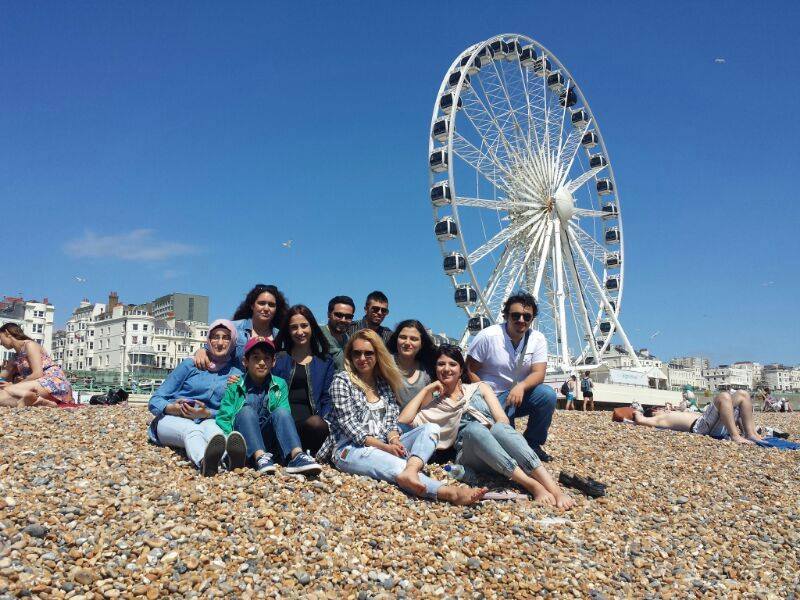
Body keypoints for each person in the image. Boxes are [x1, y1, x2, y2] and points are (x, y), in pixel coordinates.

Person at [318, 329, 487, 505]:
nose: (362, 358)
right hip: (350, 448)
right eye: (356, 353)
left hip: (384, 442)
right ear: (349, 356)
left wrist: (394, 439)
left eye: (368, 353)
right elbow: (350, 426)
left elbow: (391, 421)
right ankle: (448, 493)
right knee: (396, 465)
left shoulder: (383, 383)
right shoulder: (342, 381)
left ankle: (412, 470)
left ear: (377, 355)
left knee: (431, 428)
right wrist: (384, 447)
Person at [399, 345, 574, 508]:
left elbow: (501, 418)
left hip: (496, 447)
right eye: (441, 364)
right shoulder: (435, 405)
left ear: (461, 370)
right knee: (474, 429)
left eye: (452, 364)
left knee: (499, 428)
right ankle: (533, 485)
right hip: (470, 453)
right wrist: (426, 390)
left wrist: (495, 436)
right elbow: (405, 419)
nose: (446, 369)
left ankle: (555, 489)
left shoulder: (479, 388)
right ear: (435, 369)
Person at [465, 291, 556, 461]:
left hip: (517, 395)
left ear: (532, 319)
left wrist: (521, 386)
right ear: (506, 316)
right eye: (515, 315)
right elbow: (469, 369)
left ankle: (533, 444)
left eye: (526, 316)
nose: (521, 320)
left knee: (548, 395)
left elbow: (539, 373)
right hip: (491, 396)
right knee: (506, 443)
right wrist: (485, 395)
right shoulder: (488, 337)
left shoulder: (537, 339)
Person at [148, 320, 247, 476]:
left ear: (233, 342)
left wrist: (206, 413)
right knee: (192, 430)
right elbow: (155, 400)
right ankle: (204, 462)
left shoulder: (235, 374)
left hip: (207, 419)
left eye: (226, 337)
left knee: (216, 434)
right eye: (215, 337)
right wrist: (172, 408)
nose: (220, 342)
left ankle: (229, 459)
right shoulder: (190, 365)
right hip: (172, 419)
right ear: (208, 340)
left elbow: (230, 409)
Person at [216, 337, 321, 476]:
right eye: (255, 358)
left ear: (273, 362)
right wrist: (230, 443)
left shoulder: (280, 384)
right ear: (245, 362)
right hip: (244, 441)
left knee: (282, 412)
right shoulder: (235, 386)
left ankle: (296, 455)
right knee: (246, 411)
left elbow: (283, 415)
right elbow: (224, 417)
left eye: (266, 358)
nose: (261, 363)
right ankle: (259, 457)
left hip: (269, 439)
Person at [273, 305, 335, 453]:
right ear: (288, 331)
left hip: (313, 423)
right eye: (294, 327)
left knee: (317, 424)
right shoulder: (279, 358)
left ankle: (302, 452)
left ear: (312, 327)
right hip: (283, 419)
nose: (300, 332)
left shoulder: (325, 361)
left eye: (304, 326)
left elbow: (327, 398)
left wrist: (326, 420)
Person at [194, 283, 288, 368]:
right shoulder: (234, 328)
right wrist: (201, 352)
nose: (266, 308)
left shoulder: (280, 335)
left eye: (271, 305)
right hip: (235, 384)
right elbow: (211, 347)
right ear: (252, 305)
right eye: (261, 303)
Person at [631, 390, 763, 444]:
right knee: (723, 396)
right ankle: (735, 436)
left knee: (743, 394)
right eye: (658, 409)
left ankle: (750, 434)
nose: (662, 409)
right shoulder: (658, 418)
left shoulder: (670, 413)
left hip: (713, 424)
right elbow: (640, 420)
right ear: (654, 412)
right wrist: (636, 411)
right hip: (700, 428)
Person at [0, 323, 73, 408]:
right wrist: (6, 370)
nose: (1, 343)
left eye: (0, 338)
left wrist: (13, 385)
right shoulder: (15, 357)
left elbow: (37, 373)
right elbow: (2, 379)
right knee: (2, 395)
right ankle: (40, 401)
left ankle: (34, 399)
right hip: (36, 387)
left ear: (7, 333)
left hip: (53, 383)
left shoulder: (30, 345)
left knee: (8, 391)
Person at [386, 320, 437, 407]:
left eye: (413, 339)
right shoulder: (384, 363)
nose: (407, 342)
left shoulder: (427, 372)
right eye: (403, 337)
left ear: (421, 344)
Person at [320, 295, 355, 370]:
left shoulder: (349, 342)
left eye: (348, 317)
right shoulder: (317, 335)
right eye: (339, 315)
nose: (343, 320)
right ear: (329, 314)